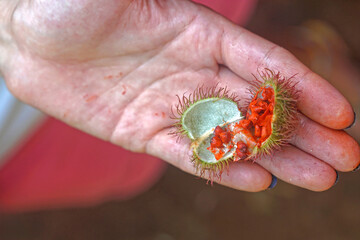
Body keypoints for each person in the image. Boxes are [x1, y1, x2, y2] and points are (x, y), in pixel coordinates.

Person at [0, 0, 358, 211]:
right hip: (32, 134)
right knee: (128, 158)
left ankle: (307, 55)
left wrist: (12, 24)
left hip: (68, 61)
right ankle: (311, 53)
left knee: (211, 43)